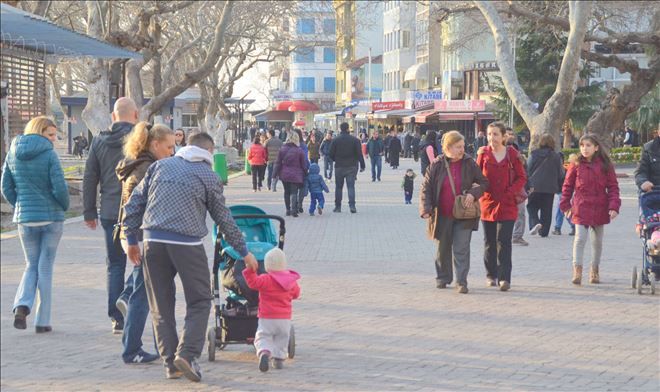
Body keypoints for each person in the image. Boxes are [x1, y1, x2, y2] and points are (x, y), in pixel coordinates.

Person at [123, 132, 258, 382]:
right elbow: (224, 219)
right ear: (209, 152)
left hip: (152, 241)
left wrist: (131, 240)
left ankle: (170, 364)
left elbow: (133, 204)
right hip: (187, 243)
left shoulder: (160, 166)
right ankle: (187, 354)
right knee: (199, 301)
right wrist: (244, 252)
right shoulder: (209, 175)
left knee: (160, 306)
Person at [2, 116, 69, 332]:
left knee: (31, 264)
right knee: (45, 266)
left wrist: (20, 204)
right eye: (50, 134)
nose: (53, 139)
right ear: (39, 132)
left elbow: (6, 186)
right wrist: (63, 206)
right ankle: (43, 320)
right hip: (51, 217)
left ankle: (22, 305)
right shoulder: (49, 154)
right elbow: (59, 187)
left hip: (25, 218)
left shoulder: (13, 151)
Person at [115, 122, 175, 364]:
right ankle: (132, 349)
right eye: (169, 147)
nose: (172, 151)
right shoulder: (147, 169)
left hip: (132, 235)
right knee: (142, 295)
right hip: (137, 237)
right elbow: (134, 209)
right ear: (155, 144)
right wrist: (132, 241)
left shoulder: (142, 163)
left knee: (143, 291)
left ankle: (136, 345)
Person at [83, 97, 137, 334]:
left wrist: (88, 211)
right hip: (137, 211)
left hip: (108, 211)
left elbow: (89, 177)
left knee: (115, 264)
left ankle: (117, 319)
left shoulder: (98, 142)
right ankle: (127, 298)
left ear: (113, 116)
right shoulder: (142, 138)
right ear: (135, 115)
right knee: (141, 262)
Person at [421, 131, 489, 293]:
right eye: (458, 147)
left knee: (462, 248)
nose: (462, 150)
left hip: (464, 214)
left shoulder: (469, 163)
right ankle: (443, 277)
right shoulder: (436, 165)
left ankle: (461, 281)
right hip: (442, 214)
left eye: (463, 146)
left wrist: (473, 194)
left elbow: (483, 182)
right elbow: (426, 189)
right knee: (442, 248)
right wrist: (426, 208)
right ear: (448, 148)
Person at [560, 134, 621, 285]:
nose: (585, 149)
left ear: (596, 148)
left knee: (597, 242)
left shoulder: (605, 165)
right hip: (581, 206)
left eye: (588, 145)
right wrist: (566, 205)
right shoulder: (575, 165)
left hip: (600, 206)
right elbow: (567, 187)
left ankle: (594, 269)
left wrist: (614, 206)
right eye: (582, 145)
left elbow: (613, 187)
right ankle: (577, 270)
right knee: (580, 238)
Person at [477, 122, 527, 291]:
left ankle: (505, 278)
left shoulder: (512, 154)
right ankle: (491, 275)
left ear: (504, 136)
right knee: (489, 241)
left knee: (504, 241)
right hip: (488, 203)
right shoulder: (483, 154)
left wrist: (511, 192)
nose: (492, 138)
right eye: (489, 134)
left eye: (496, 134)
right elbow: (476, 176)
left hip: (507, 204)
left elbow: (522, 177)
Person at [243, 248, 300, 372]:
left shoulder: (265, 279)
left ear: (267, 266)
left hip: (267, 317)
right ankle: (279, 359)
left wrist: (250, 271)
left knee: (263, 336)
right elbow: (296, 294)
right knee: (282, 339)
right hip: (284, 319)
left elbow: (253, 283)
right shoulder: (291, 281)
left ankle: (264, 352)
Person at [526, 134, 565, 238]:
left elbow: (527, 169)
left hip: (534, 186)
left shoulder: (534, 154)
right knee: (547, 210)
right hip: (550, 187)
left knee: (531, 206)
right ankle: (544, 232)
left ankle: (535, 223)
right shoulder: (556, 156)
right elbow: (561, 173)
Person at [329, 122, 365, 213]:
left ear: (340, 129)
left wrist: (336, 159)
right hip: (351, 166)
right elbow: (359, 154)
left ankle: (338, 207)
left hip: (339, 166)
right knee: (351, 187)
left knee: (338, 187)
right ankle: (352, 206)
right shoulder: (355, 140)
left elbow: (330, 154)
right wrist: (362, 165)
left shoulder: (336, 140)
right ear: (348, 128)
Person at [274, 132, 308, 217]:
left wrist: (274, 174)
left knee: (286, 192)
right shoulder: (299, 150)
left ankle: (288, 210)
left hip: (284, 174)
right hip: (296, 175)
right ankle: (294, 211)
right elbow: (303, 164)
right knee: (294, 192)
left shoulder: (282, 149)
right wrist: (306, 172)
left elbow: (277, 163)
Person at [507, 131, 529, 246]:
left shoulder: (517, 150)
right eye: (507, 133)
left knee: (520, 212)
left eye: (512, 133)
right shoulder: (492, 152)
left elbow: (523, 172)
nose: (510, 135)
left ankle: (517, 236)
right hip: (503, 189)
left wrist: (528, 185)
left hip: (517, 188)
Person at [552, 153, 577, 236]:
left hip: (562, 191)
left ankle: (569, 226)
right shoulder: (568, 167)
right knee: (561, 209)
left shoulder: (564, 168)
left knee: (562, 209)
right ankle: (559, 227)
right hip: (566, 191)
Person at [635, 126, 660, 193]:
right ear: (658, 131)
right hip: (655, 194)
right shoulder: (648, 148)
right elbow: (640, 173)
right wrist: (643, 182)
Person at [294, 128, 310, 213]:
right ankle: (299, 203)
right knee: (301, 188)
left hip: (291, 170)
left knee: (293, 189)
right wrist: (307, 167)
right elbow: (305, 158)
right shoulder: (303, 145)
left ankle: (294, 204)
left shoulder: (289, 145)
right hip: (301, 169)